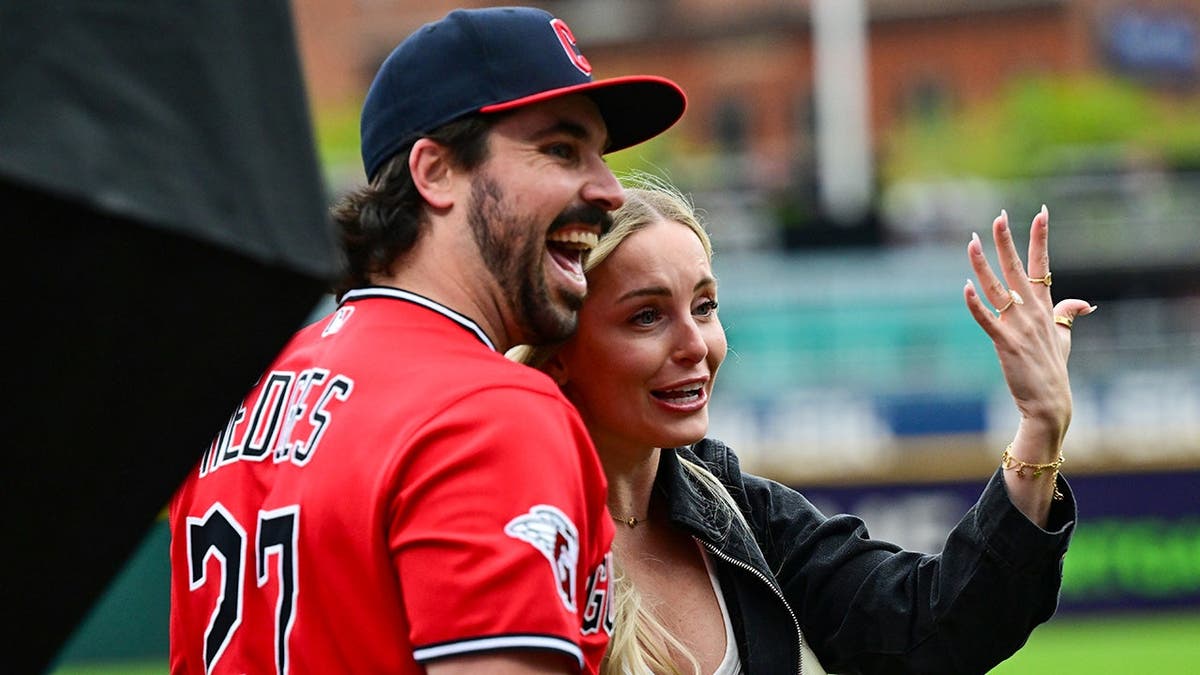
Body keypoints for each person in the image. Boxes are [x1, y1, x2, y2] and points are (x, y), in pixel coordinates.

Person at [168, 7, 686, 674]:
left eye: (601, 155)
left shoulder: (245, 394)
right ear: (434, 172)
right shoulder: (491, 412)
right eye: (562, 149)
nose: (610, 190)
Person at [511, 174, 1093, 675]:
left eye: (705, 307)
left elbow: (933, 629)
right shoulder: (518, 530)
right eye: (646, 316)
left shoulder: (734, 509)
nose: (696, 345)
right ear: (558, 348)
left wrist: (1039, 425)